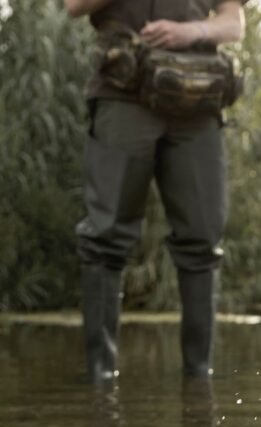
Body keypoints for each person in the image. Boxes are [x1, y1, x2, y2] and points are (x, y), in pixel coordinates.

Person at [64, 0, 248, 381]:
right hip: (123, 92)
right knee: (105, 237)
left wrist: (192, 32)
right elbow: (73, 5)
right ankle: (100, 381)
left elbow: (234, 23)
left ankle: (199, 381)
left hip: (197, 101)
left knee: (202, 241)